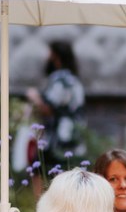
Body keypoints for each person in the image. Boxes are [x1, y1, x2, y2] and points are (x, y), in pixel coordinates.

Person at [26, 40, 86, 173]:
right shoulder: (75, 80)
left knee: (39, 171)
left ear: (55, 57)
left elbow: (48, 109)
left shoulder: (59, 80)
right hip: (75, 138)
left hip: (57, 140)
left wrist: (34, 97)